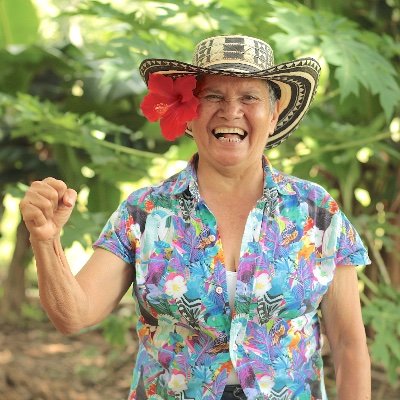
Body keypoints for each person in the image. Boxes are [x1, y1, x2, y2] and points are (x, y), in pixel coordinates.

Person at [19, 35, 371, 400]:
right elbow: (73, 315)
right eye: (213, 96)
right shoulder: (145, 213)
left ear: (275, 113)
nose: (231, 111)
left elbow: (348, 345)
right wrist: (45, 239)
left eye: (249, 97)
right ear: (188, 110)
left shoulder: (317, 211)